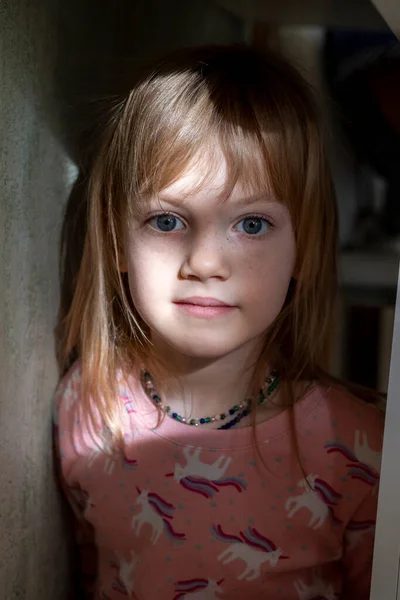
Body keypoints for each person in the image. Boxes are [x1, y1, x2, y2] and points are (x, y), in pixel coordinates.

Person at [53, 43, 384, 600]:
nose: (205, 263)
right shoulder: (87, 408)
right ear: (115, 240)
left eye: (252, 224)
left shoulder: (362, 447)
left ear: (303, 248)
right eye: (166, 220)